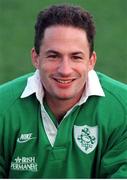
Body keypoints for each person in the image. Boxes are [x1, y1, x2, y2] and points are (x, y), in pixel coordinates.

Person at [0, 4, 127, 179]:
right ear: (35, 58)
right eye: (53, 56)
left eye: (76, 57)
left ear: (91, 61)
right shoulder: (3, 106)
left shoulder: (123, 108)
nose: (65, 70)